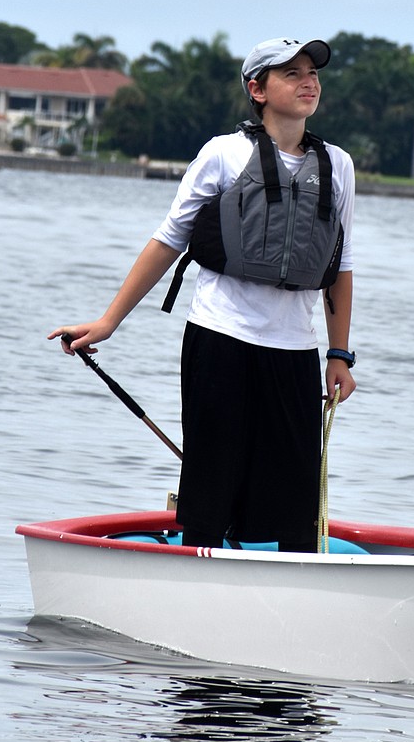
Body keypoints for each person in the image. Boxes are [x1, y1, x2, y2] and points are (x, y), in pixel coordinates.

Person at [48, 37, 356, 552]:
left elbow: (341, 266)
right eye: (293, 74)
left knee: (296, 497)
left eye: (313, 74)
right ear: (257, 90)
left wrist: (339, 355)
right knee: (211, 484)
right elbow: (168, 239)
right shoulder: (223, 154)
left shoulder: (338, 166)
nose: (310, 82)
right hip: (221, 338)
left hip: (295, 351)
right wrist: (107, 323)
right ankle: (199, 568)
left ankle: (295, 587)